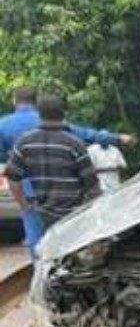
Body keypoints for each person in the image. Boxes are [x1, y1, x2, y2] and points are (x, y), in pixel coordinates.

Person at [4, 94, 101, 257]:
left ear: (39, 113)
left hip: (41, 211)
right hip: (72, 213)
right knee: (70, 255)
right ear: (63, 113)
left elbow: (13, 178)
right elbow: (92, 184)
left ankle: (41, 278)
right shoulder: (75, 143)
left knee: (41, 253)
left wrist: (24, 204)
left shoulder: (24, 142)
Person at [0, 86, 135, 162]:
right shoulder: (50, 120)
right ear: (36, 101)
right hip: (57, 185)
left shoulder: (3, 125)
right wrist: (118, 138)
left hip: (19, 187)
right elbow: (86, 134)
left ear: (14, 101)